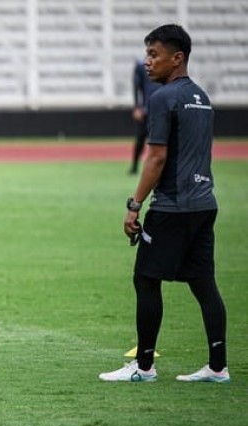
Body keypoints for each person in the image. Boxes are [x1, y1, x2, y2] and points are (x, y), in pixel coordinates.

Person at [99, 24, 229, 383]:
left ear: (178, 58)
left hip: (172, 206)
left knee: (145, 279)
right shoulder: (202, 98)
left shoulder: (162, 98)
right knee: (204, 283)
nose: (147, 62)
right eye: (147, 54)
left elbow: (156, 158)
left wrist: (134, 204)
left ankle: (143, 367)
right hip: (205, 203)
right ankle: (218, 367)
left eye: (154, 55)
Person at [129, 57, 162, 174]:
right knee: (140, 139)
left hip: (162, 109)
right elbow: (136, 86)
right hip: (146, 111)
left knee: (163, 141)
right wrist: (137, 107)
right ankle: (134, 166)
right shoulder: (141, 65)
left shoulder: (166, 64)